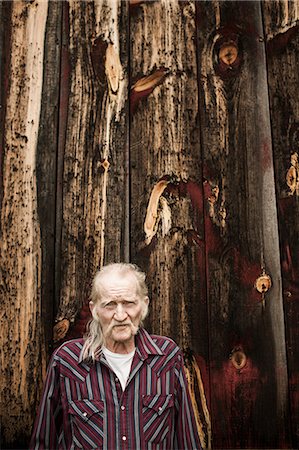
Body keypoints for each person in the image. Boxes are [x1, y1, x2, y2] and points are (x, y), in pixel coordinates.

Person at [30, 263, 201, 449]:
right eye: (110, 305)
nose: (120, 315)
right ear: (94, 310)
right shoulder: (67, 361)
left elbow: (187, 440)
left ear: (144, 305)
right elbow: (44, 441)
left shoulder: (167, 358)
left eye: (129, 303)